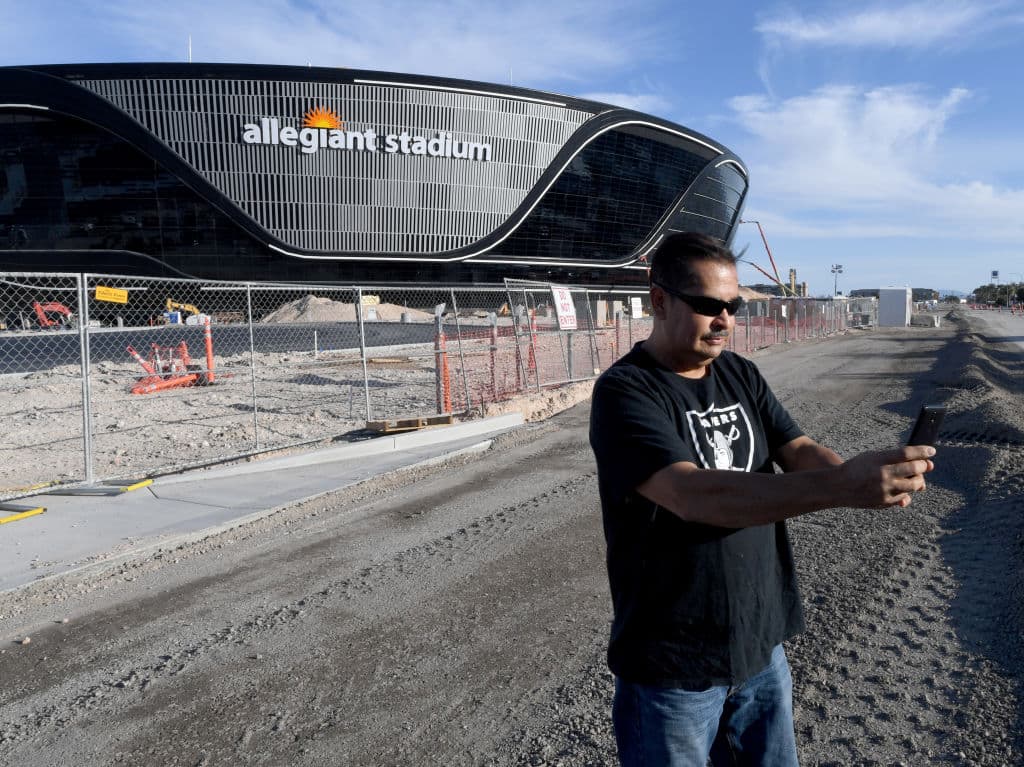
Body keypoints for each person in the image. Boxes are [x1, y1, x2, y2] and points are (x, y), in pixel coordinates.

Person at [588, 232, 936, 766]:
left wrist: (860, 476)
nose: (725, 320)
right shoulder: (626, 391)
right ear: (659, 300)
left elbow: (795, 448)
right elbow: (690, 494)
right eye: (709, 306)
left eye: (732, 305)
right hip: (673, 668)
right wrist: (842, 486)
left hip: (760, 646)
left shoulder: (738, 371)